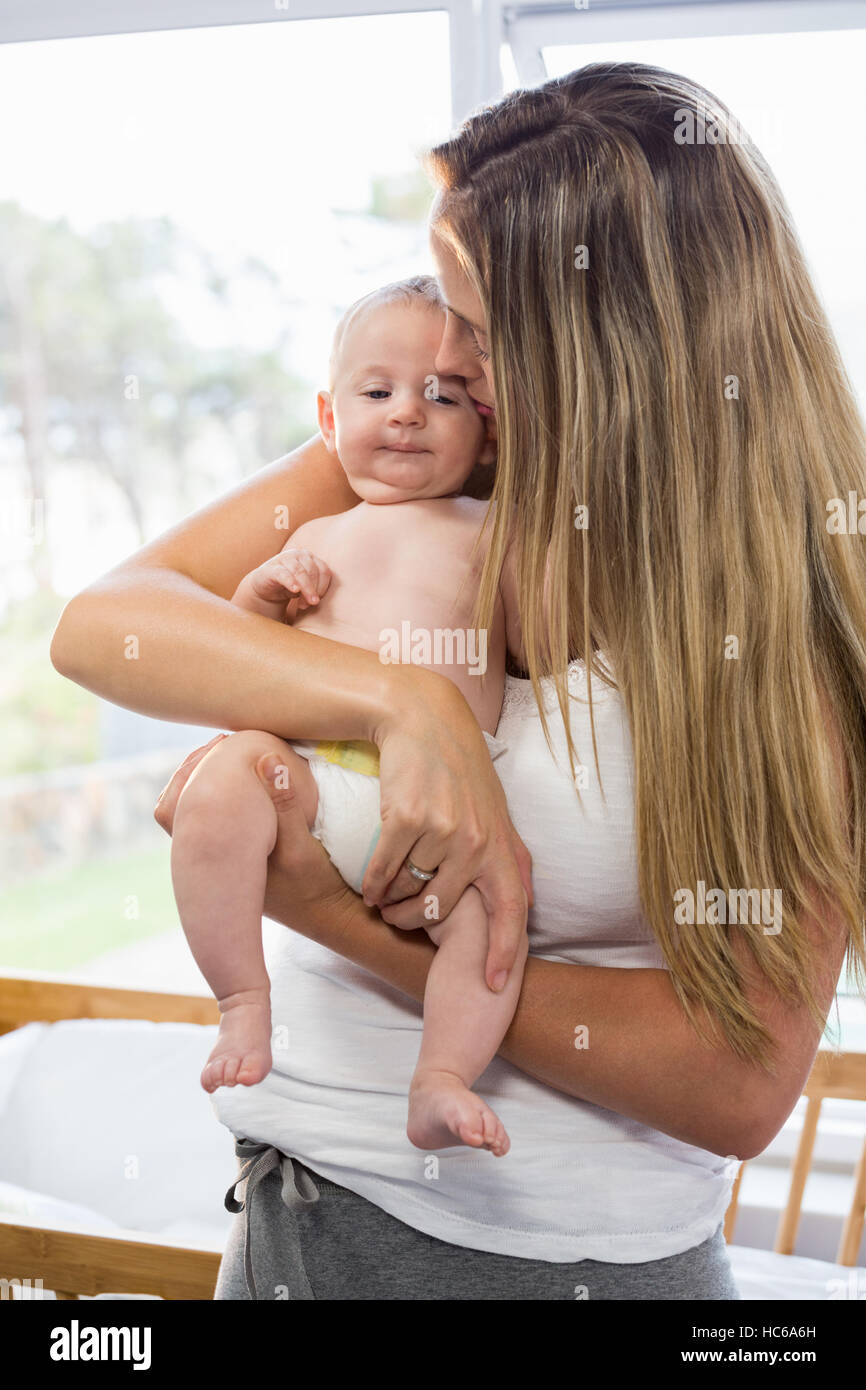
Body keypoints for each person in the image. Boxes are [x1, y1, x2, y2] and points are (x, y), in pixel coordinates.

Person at [50, 62, 865, 1301]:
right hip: (292, 1234)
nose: (438, 353)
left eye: (477, 328)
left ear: (606, 343)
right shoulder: (417, 451)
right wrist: (403, 700)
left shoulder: (783, 622)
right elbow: (109, 625)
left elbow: (734, 1084)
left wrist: (330, 912)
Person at [170, 274, 529, 1158]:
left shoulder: (495, 531)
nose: (406, 413)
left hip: (438, 800)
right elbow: (242, 672)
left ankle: (441, 1076)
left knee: (490, 925)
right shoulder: (314, 535)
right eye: (378, 392)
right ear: (330, 420)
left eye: (442, 397)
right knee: (219, 788)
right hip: (313, 779)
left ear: (487, 432)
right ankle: (243, 1002)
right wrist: (259, 597)